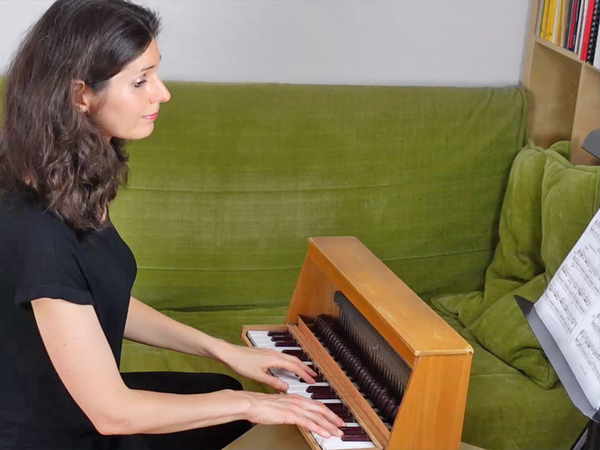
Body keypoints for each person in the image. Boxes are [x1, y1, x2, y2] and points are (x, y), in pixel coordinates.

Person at [0, 1, 345, 449]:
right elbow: (112, 413)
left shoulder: (66, 174)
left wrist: (220, 349)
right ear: (80, 94)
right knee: (245, 410)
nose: (161, 94)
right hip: (55, 433)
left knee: (225, 393)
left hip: (72, 405)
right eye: (140, 81)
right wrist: (251, 406)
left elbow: (93, 294)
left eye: (155, 74)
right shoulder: (38, 228)